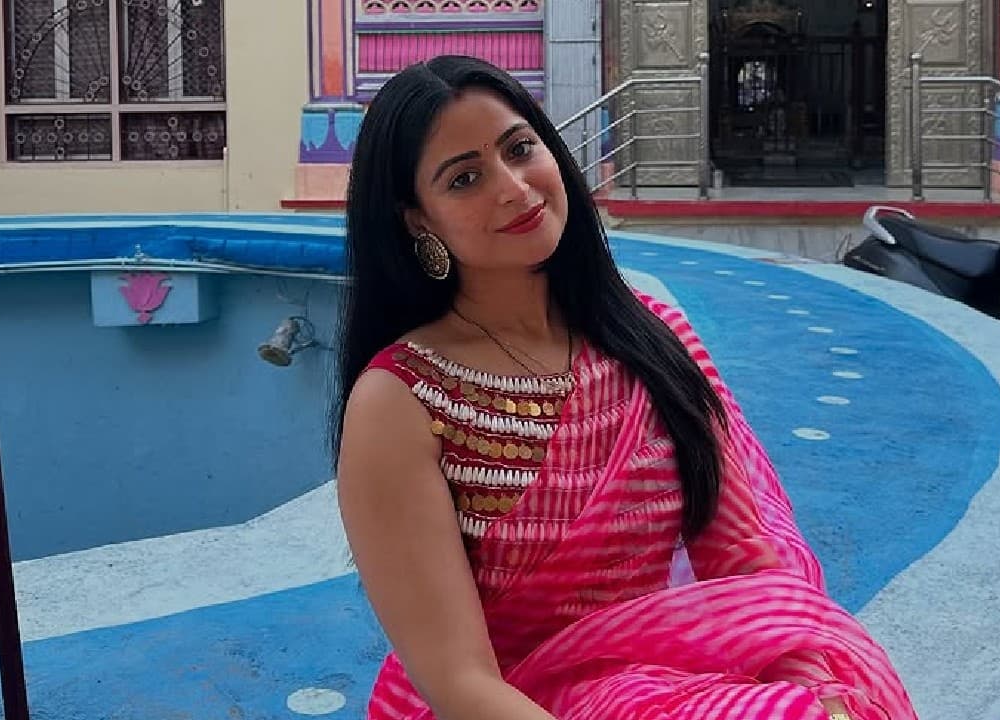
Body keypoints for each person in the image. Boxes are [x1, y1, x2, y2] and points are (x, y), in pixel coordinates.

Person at [334, 54, 916, 720]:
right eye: (465, 178)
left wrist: (820, 693)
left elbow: (747, 563)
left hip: (657, 688)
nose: (515, 188)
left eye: (520, 149)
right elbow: (460, 684)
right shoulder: (403, 401)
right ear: (418, 219)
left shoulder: (652, 340)